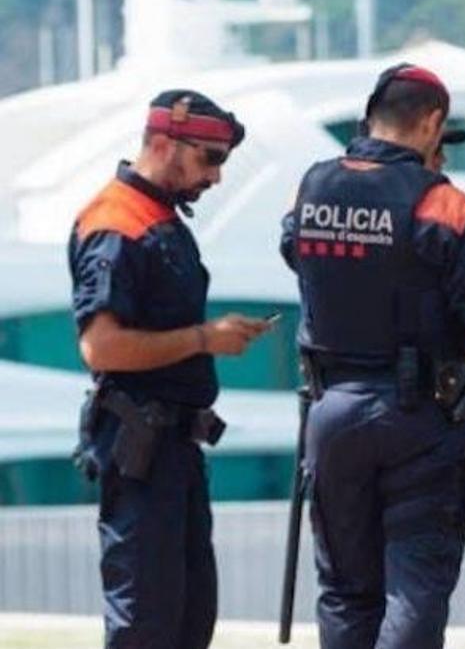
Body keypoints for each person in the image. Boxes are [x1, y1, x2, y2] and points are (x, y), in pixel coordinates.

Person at [279, 63, 465, 648]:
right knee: (414, 586)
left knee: (344, 590)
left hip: (331, 412)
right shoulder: (443, 205)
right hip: (419, 417)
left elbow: (297, 253)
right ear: (433, 123)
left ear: (372, 117)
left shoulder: (313, 186)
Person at [69, 89, 271, 648]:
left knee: (188, 619)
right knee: (147, 624)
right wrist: (206, 338)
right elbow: (101, 347)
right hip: (140, 448)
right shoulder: (116, 224)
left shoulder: (159, 217)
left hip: (175, 449)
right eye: (209, 160)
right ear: (162, 143)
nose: (216, 177)